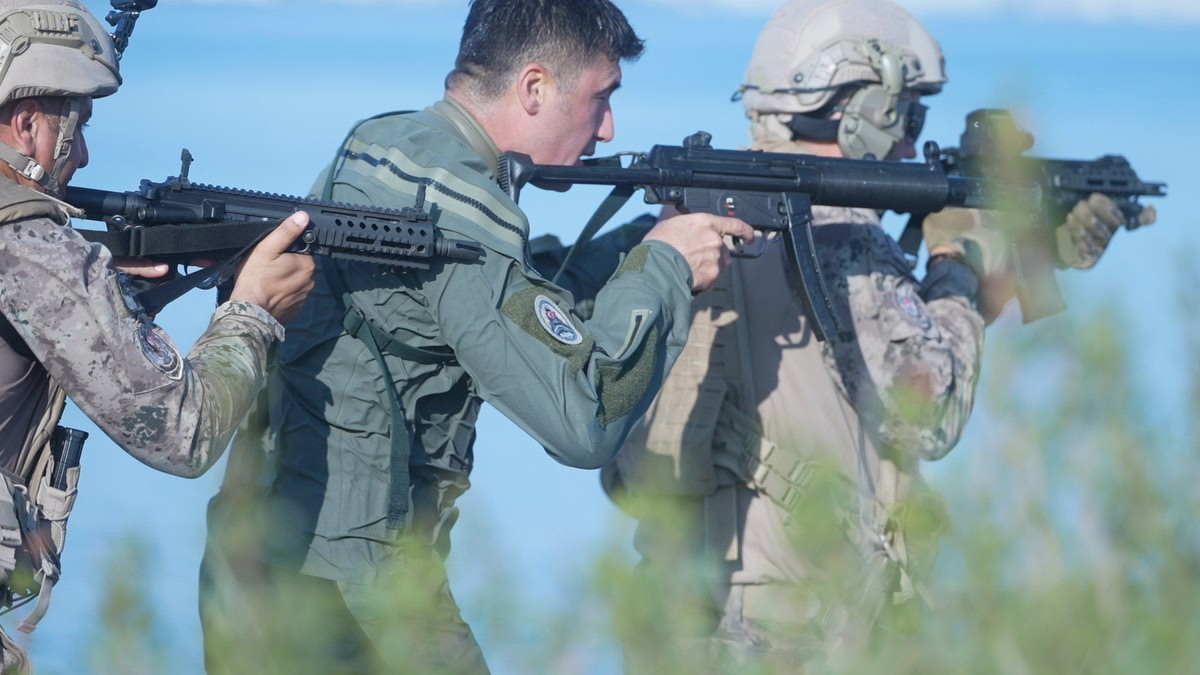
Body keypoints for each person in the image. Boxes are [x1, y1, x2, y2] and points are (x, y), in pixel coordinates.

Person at [599, 0, 1156, 672]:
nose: (910, 141)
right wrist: (956, 261)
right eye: (909, 114)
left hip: (682, 606)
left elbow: (861, 340)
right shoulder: (840, 234)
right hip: (797, 624)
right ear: (864, 105)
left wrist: (1018, 259)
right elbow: (930, 406)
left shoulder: (695, 213)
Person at [197, 1, 754, 673]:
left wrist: (647, 239)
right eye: (601, 98)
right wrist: (666, 266)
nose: (608, 129)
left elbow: (502, 299)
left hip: (253, 565)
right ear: (535, 88)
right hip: (359, 602)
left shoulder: (385, 142)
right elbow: (586, 416)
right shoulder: (467, 205)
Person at [0, 0, 316, 672]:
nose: (82, 154)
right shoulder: (37, 257)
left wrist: (109, 292)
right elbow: (183, 432)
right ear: (26, 124)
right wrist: (253, 311)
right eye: (75, 126)